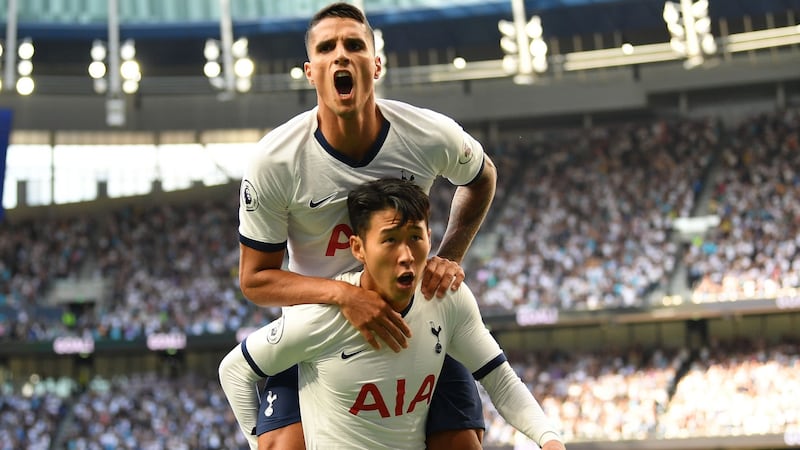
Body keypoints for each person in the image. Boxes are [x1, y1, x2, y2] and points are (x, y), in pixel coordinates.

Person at [237, 2, 497, 449]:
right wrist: (346, 296)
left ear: (375, 65)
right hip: (319, 325)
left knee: (461, 443)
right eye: (327, 48)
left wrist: (448, 256)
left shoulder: (428, 135)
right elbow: (255, 279)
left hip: (411, 312)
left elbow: (482, 178)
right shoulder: (274, 162)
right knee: (281, 444)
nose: (341, 55)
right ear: (310, 71)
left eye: (354, 45)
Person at [221, 178, 565, 450]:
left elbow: (500, 381)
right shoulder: (322, 317)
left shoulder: (446, 299)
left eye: (415, 237)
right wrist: (254, 440)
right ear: (358, 248)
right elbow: (234, 371)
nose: (405, 255)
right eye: (389, 240)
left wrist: (549, 439)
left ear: (430, 237)